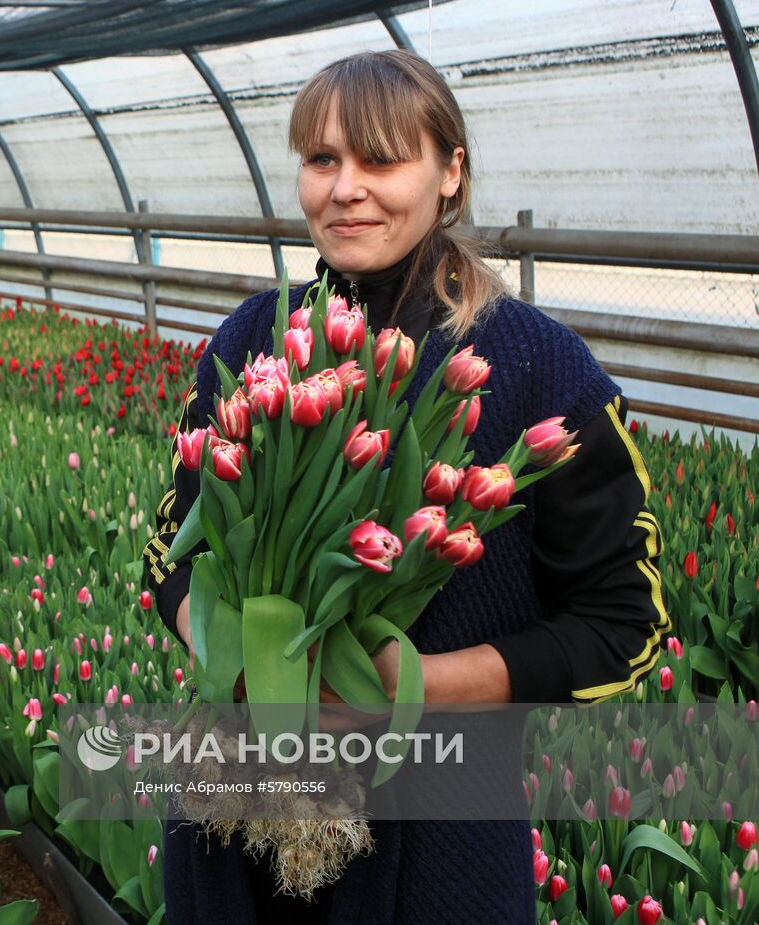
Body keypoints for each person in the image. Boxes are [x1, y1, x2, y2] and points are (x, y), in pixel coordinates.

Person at [142, 50, 668, 924]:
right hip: (237, 814)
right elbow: (173, 549)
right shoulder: (251, 344)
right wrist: (247, 671)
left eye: (381, 159)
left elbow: (623, 622)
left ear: (450, 171)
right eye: (321, 160)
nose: (345, 188)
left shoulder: (538, 369)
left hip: (443, 831)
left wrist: (409, 683)